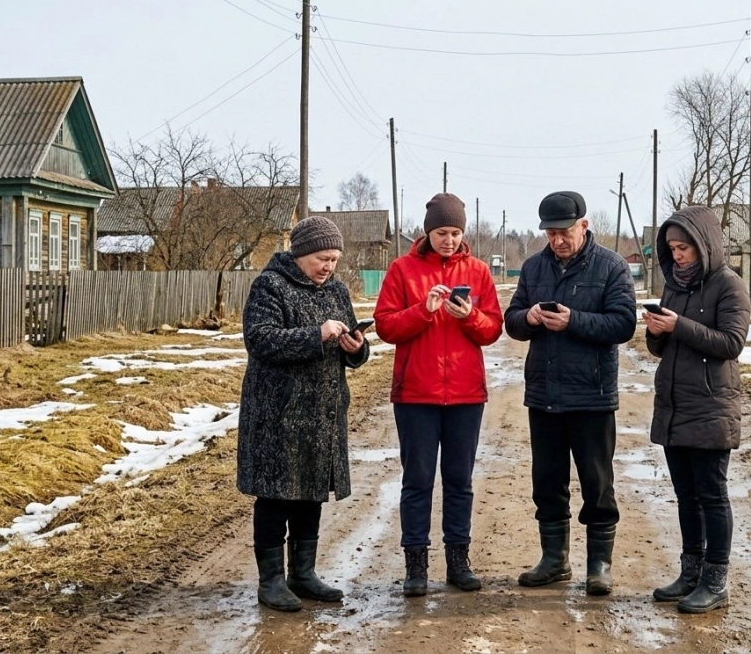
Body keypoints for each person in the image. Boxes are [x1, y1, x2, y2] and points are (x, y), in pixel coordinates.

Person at [504, 191, 637, 596]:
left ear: (585, 224)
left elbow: (623, 325)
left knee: (597, 483)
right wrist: (527, 317)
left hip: (592, 395)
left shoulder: (612, 267)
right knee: (547, 481)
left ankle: (599, 565)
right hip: (543, 393)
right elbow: (511, 321)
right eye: (550, 233)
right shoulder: (533, 267)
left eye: (564, 232)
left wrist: (573, 321)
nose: (556, 241)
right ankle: (554, 560)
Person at [236, 216, 369, 612]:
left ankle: (303, 573)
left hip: (322, 413)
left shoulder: (338, 290)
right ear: (301, 254)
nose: (328, 266)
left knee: (311, 494)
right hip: (277, 412)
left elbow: (354, 356)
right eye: (322, 258)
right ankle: (271, 581)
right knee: (276, 496)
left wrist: (355, 347)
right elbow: (260, 340)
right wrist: (318, 333)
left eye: (334, 259)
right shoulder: (270, 285)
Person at [374, 193, 504, 597]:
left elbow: (493, 330)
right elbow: (385, 326)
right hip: (416, 395)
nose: (448, 240)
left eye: (455, 232)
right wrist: (423, 311)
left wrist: (470, 317)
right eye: (441, 232)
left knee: (459, 480)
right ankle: (416, 565)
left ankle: (458, 560)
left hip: (466, 394)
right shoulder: (402, 270)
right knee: (417, 479)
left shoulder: (479, 271)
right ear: (427, 231)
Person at [642, 206, 750, 614]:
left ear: (704, 245)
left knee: (712, 495)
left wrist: (678, 327)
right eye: (671, 248)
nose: (678, 255)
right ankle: (690, 572)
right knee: (685, 496)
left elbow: (731, 344)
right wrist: (655, 333)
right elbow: (661, 349)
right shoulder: (673, 285)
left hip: (710, 405)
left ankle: (716, 579)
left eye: (684, 247)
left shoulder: (729, 285)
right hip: (674, 404)